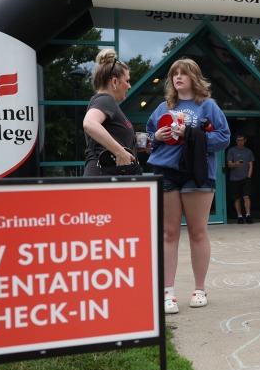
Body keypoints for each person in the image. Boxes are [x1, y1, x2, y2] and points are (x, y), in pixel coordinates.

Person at [146, 58, 230, 314]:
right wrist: (157, 138)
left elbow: (223, 137)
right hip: (166, 172)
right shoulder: (162, 108)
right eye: (174, 74)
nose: (178, 77)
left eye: (183, 73)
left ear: (195, 77)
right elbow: (148, 140)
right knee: (169, 233)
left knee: (197, 232)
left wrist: (189, 134)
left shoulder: (208, 106)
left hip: (197, 174)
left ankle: (199, 289)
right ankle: (167, 293)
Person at [81, 49, 140, 177]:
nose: (129, 86)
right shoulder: (105, 99)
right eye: (127, 81)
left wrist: (134, 143)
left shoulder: (105, 102)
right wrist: (120, 153)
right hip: (104, 178)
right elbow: (89, 123)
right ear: (114, 82)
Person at [227, 134, 255, 224]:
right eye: (238, 140)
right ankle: (239, 216)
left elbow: (251, 165)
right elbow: (229, 164)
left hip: (245, 178)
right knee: (237, 198)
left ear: (245, 140)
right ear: (236, 141)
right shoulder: (231, 151)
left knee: (246, 196)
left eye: (242, 140)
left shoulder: (249, 152)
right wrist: (236, 164)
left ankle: (248, 215)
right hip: (234, 178)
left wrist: (248, 177)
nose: (240, 142)